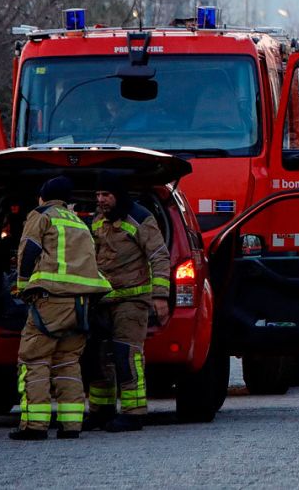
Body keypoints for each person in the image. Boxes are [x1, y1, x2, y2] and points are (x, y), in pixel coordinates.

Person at [11, 177, 109, 440]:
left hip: (51, 300)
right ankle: (71, 425)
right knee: (68, 362)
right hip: (82, 304)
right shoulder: (78, 220)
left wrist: (22, 286)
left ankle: (35, 426)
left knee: (34, 359)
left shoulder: (41, 215)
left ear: (43, 196)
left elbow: (29, 249)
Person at [84, 174, 169, 432]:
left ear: (118, 195)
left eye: (106, 195)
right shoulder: (98, 220)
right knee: (97, 357)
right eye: (98, 195)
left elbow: (159, 256)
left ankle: (133, 412)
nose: (101, 200)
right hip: (102, 301)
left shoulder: (140, 218)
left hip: (132, 300)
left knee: (127, 354)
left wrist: (160, 297)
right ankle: (101, 411)